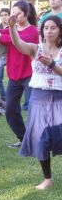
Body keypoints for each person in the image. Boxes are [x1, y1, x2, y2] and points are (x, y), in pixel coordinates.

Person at [8, 14, 62, 190]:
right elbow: (18, 44)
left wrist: (52, 64)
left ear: (59, 30)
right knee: (41, 139)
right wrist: (11, 27)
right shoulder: (35, 49)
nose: (49, 31)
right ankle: (47, 179)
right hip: (38, 98)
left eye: (53, 27)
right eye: (46, 28)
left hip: (59, 97)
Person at [0, 1, 39, 147]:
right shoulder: (12, 29)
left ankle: (37, 140)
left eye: (18, 13)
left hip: (31, 75)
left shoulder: (33, 31)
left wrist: (2, 35)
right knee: (10, 110)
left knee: (33, 109)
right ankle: (24, 138)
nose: (15, 16)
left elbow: (18, 41)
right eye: (13, 13)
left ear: (26, 14)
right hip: (14, 77)